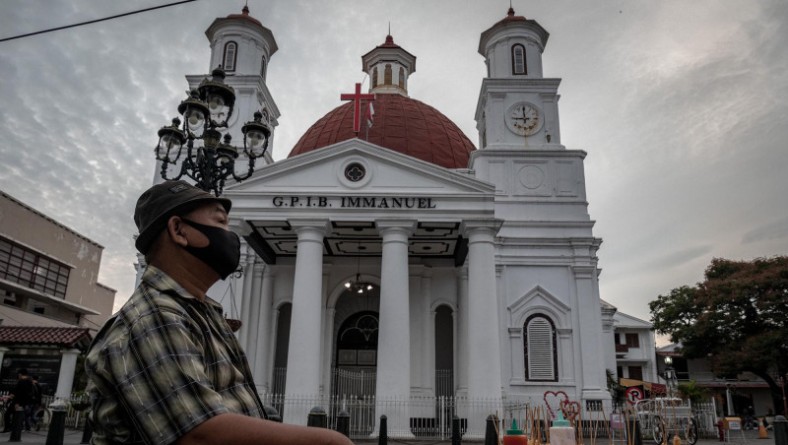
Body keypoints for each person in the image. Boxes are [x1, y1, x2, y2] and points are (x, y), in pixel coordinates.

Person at [85, 180, 351, 445]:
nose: (232, 236)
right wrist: (327, 441)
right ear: (179, 230)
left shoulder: (198, 313)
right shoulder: (153, 318)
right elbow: (198, 434)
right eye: (221, 223)